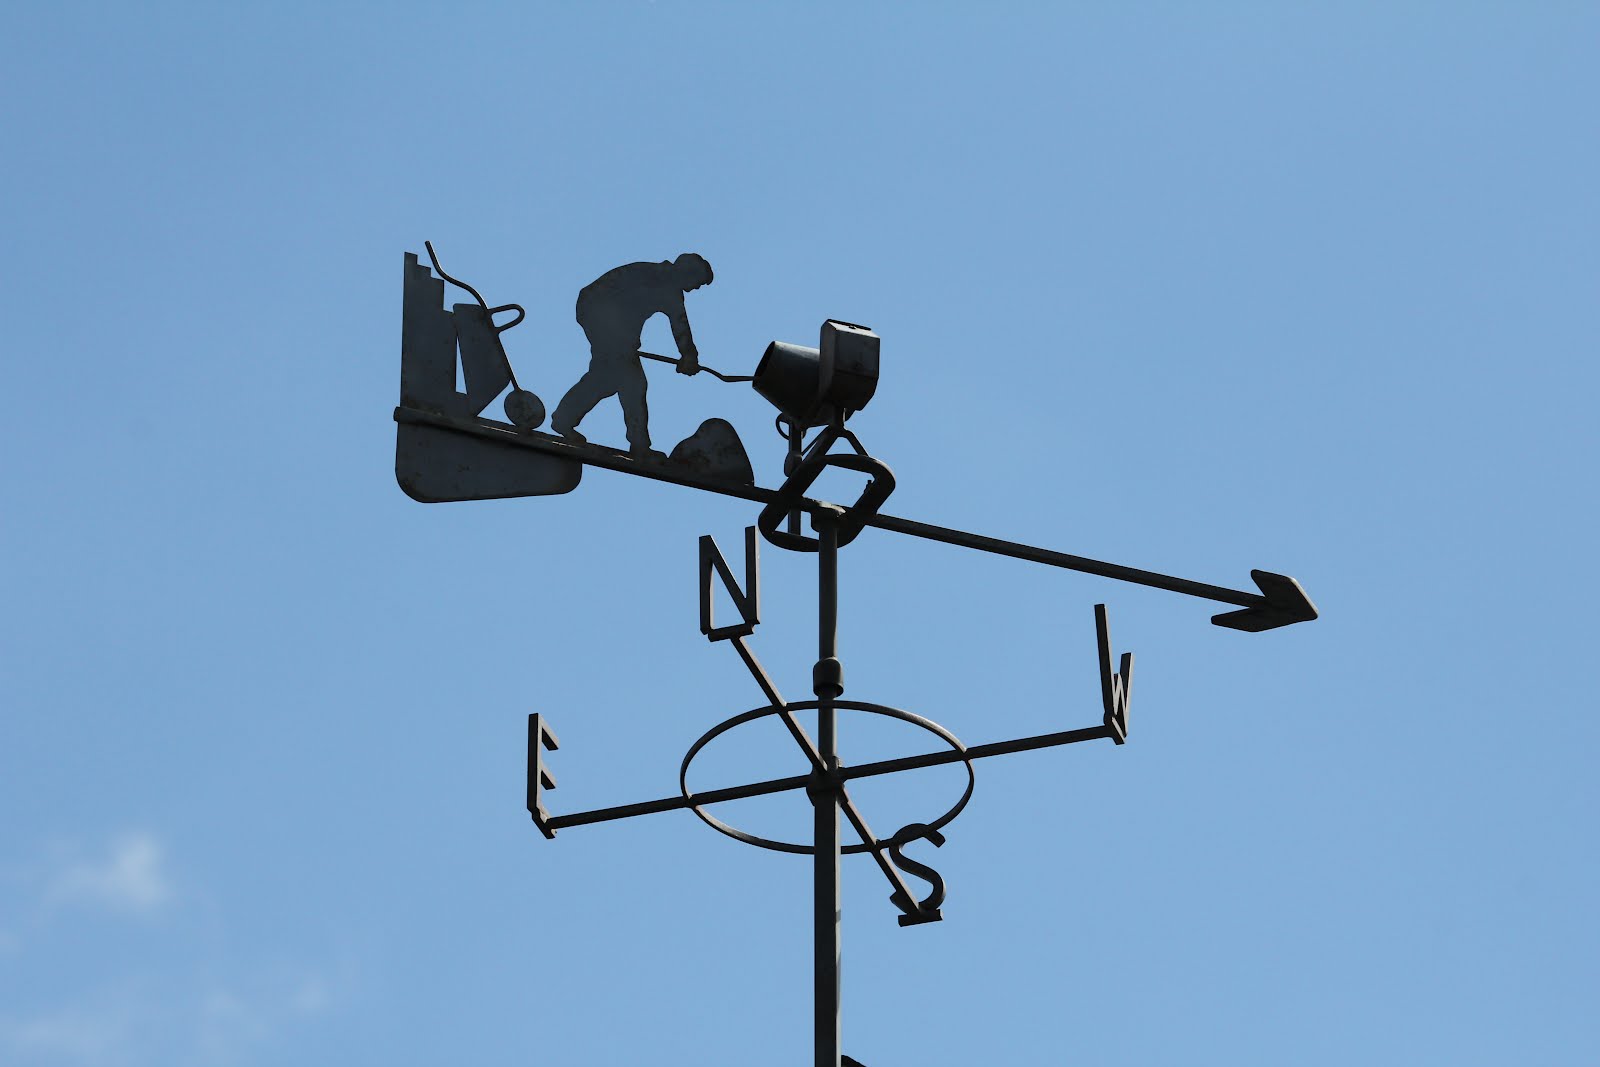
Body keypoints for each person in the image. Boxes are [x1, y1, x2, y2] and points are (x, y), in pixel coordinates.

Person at [550, 253, 713, 457]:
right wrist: (688, 356)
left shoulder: (664, 281)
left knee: (610, 379)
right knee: (631, 381)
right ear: (687, 273)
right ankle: (639, 445)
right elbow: (679, 324)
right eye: (697, 283)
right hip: (597, 310)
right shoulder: (659, 280)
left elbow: (678, 324)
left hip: (603, 316)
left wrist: (688, 356)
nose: (695, 289)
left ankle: (565, 419)